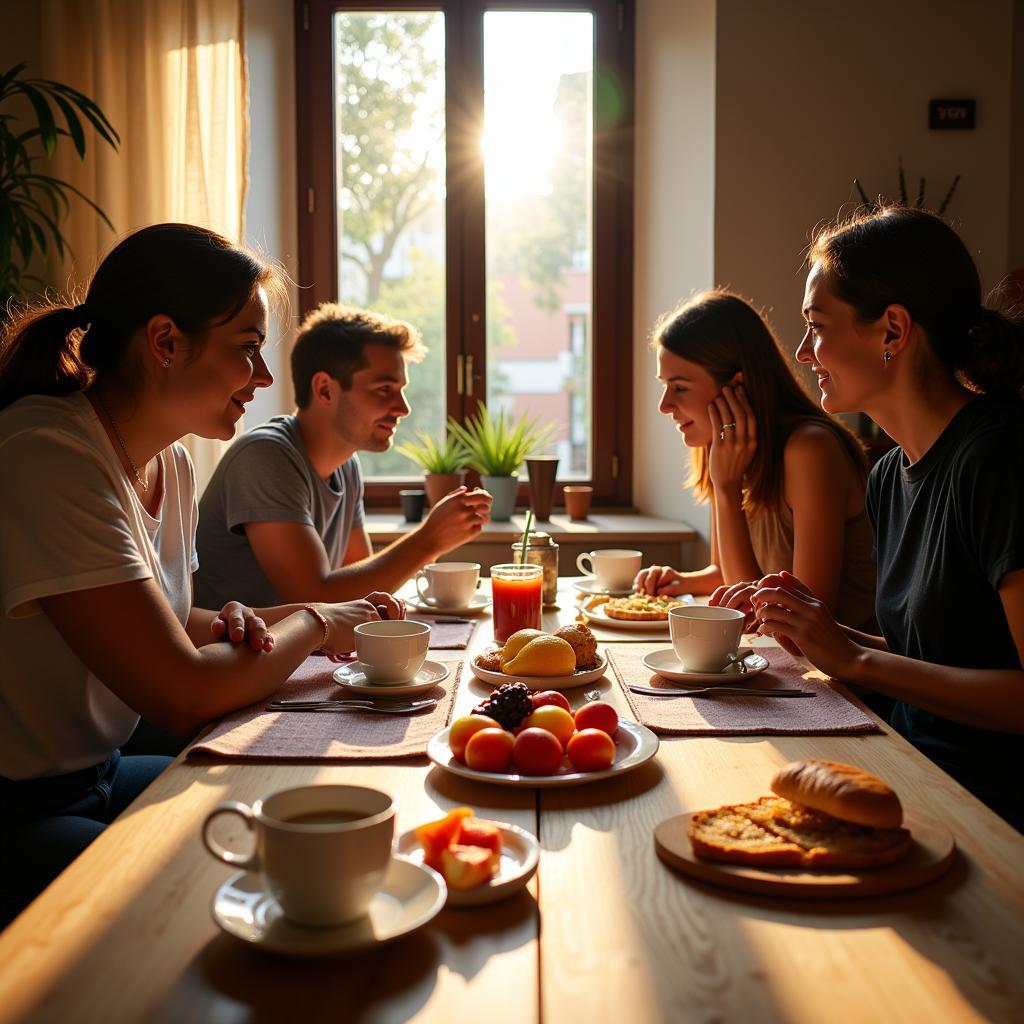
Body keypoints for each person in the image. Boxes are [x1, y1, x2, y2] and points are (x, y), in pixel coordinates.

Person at [0, 224, 401, 925]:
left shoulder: (172, 463)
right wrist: (311, 620)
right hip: (21, 805)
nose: (267, 380)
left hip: (98, 772)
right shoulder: (46, 455)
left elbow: (167, 620)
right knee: (191, 905)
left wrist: (253, 621)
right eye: (248, 350)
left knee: (281, 821)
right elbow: (182, 692)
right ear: (165, 342)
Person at [719, 206, 1024, 831]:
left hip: (992, 813)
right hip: (910, 773)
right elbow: (930, 657)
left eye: (817, 326)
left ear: (892, 330)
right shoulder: (888, 475)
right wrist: (823, 633)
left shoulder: (1000, 459)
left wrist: (854, 661)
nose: (803, 353)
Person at [193, 302, 492, 610]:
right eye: (384, 389)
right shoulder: (264, 457)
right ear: (325, 390)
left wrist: (430, 541)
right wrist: (429, 540)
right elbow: (311, 597)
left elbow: (360, 591)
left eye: (401, 390)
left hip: (300, 654)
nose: (403, 408)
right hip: (229, 653)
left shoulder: (346, 465)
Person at [634, 289, 876, 630]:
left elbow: (789, 624)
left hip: (837, 678)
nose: (665, 405)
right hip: (781, 660)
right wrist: (682, 582)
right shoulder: (727, 449)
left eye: (681, 387)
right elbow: (729, 576)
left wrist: (727, 489)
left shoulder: (810, 449)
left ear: (735, 386)